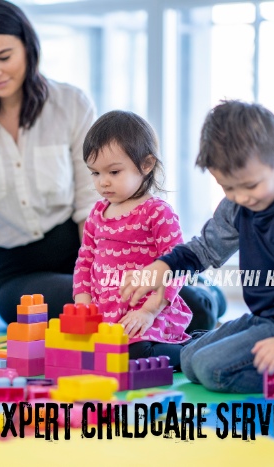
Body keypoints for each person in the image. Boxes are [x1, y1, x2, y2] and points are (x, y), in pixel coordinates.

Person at [0, 0, 224, 328]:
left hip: (91, 253)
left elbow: (92, 202)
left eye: (4, 57)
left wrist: (106, 278)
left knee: (175, 304)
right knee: (96, 315)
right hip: (17, 273)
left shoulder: (70, 103)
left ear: (29, 49)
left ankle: (204, 293)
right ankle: (201, 296)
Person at [120, 100, 274, 393]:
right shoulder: (239, 202)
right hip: (268, 319)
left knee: (211, 371)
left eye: (250, 186)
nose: (241, 197)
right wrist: (163, 267)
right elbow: (206, 247)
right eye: (228, 187)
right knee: (191, 360)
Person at [73, 111, 191, 367]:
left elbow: (177, 267)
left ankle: (196, 351)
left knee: (135, 355)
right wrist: (82, 303)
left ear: (146, 165)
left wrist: (148, 311)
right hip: (108, 317)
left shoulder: (157, 212)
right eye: (95, 173)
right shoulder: (96, 214)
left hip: (150, 313)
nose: (103, 182)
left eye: (114, 172)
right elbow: (84, 261)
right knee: (86, 355)